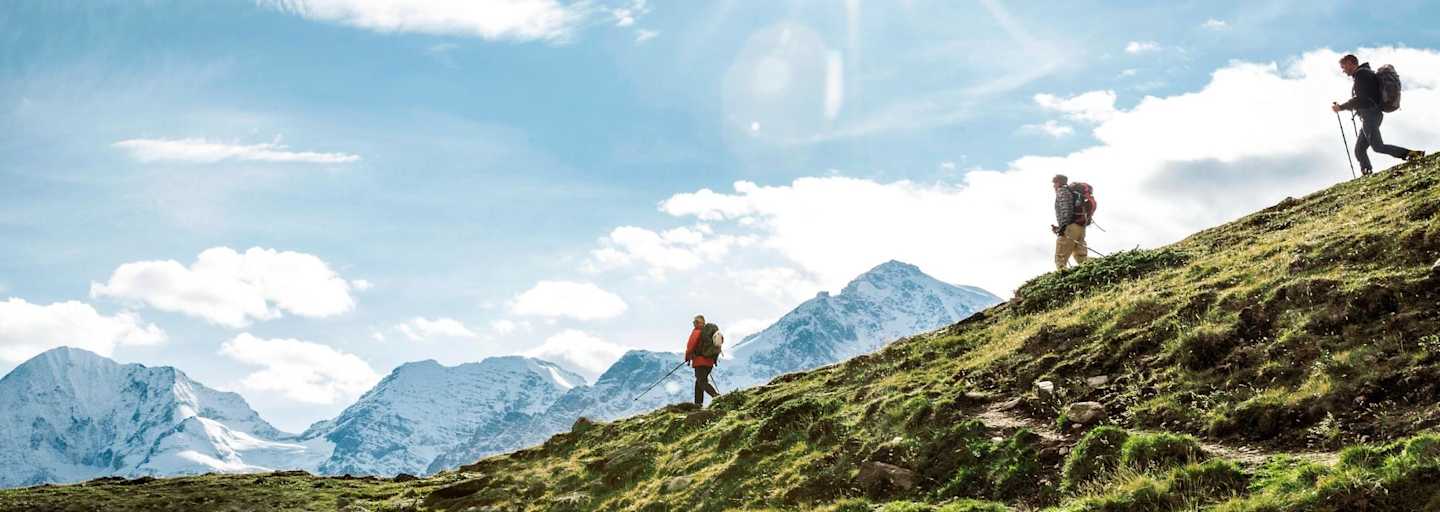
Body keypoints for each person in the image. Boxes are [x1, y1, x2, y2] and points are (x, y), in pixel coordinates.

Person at [1331, 54, 1424, 176]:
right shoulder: (1365, 74)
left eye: (1343, 67)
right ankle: (1367, 173)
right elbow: (1364, 98)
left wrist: (1341, 107)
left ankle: (1411, 154)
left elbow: (1361, 99)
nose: (1343, 70)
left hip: (1370, 115)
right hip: (1370, 115)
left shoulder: (1361, 75)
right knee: (1359, 150)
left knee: (1378, 146)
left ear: (1350, 63)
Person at [1052, 174, 1087, 270]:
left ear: (1058, 182)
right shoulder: (1072, 192)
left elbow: (1066, 209)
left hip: (1070, 227)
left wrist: (1062, 227)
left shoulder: (1062, 191)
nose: (1053, 186)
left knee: (1060, 257)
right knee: (1081, 256)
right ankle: (1091, 272)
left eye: (1054, 183)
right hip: (1080, 226)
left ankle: (1062, 277)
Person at [685, 315, 720, 406]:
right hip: (710, 361)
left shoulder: (697, 332)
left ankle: (717, 397)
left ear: (700, 323)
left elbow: (690, 346)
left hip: (700, 361)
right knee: (699, 381)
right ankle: (698, 403)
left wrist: (687, 357)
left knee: (702, 381)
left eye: (696, 322)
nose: (694, 323)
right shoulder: (710, 333)